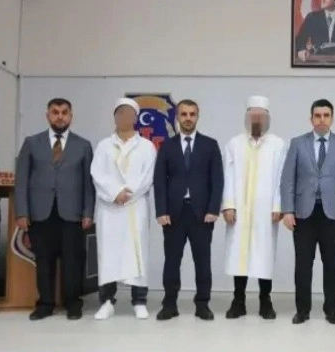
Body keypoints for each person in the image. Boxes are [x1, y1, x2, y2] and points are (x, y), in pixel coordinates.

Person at [14, 98, 95, 321]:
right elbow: (21, 180)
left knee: (72, 261)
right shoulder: (32, 143)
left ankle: (73, 303)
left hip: (72, 214)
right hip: (40, 213)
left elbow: (88, 184)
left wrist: (88, 212)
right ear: (47, 115)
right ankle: (45, 304)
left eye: (64, 112)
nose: (60, 116)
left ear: (71, 116)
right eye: (55, 112)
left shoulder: (83, 145)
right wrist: (22, 212)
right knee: (44, 261)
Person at [280, 99, 335, 325]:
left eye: (326, 115)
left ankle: (332, 310)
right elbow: (288, 179)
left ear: (332, 118)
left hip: (333, 214)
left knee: (332, 264)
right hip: (303, 214)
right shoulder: (297, 143)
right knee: (303, 265)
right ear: (311, 118)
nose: (322, 119)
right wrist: (287, 210)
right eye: (317, 115)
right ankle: (302, 310)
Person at [153, 99, 224, 321]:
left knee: (202, 262)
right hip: (173, 214)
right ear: (177, 117)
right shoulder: (167, 146)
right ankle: (169, 304)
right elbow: (159, 180)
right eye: (184, 114)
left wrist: (213, 209)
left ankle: (202, 304)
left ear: (197, 117)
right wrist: (161, 210)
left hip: (201, 214)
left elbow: (217, 180)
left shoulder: (210, 145)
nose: (188, 118)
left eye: (192, 114)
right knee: (171, 261)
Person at [90, 98, 157, 320]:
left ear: (136, 118)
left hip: (135, 207)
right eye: (121, 113)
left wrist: (127, 194)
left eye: (129, 113)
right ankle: (107, 301)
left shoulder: (146, 146)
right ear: (115, 117)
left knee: (137, 254)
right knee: (108, 255)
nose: (125, 117)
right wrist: (115, 193)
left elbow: (148, 177)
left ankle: (139, 301)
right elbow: (97, 174)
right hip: (109, 208)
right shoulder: (103, 146)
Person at [221, 95, 286, 320]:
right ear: (247, 118)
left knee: (263, 256)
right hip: (239, 209)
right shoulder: (234, 144)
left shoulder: (278, 145)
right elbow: (228, 176)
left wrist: (278, 205)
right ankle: (238, 301)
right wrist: (229, 205)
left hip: (265, 211)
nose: (257, 120)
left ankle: (265, 301)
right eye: (253, 116)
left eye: (260, 116)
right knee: (239, 256)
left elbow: (281, 178)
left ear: (267, 119)